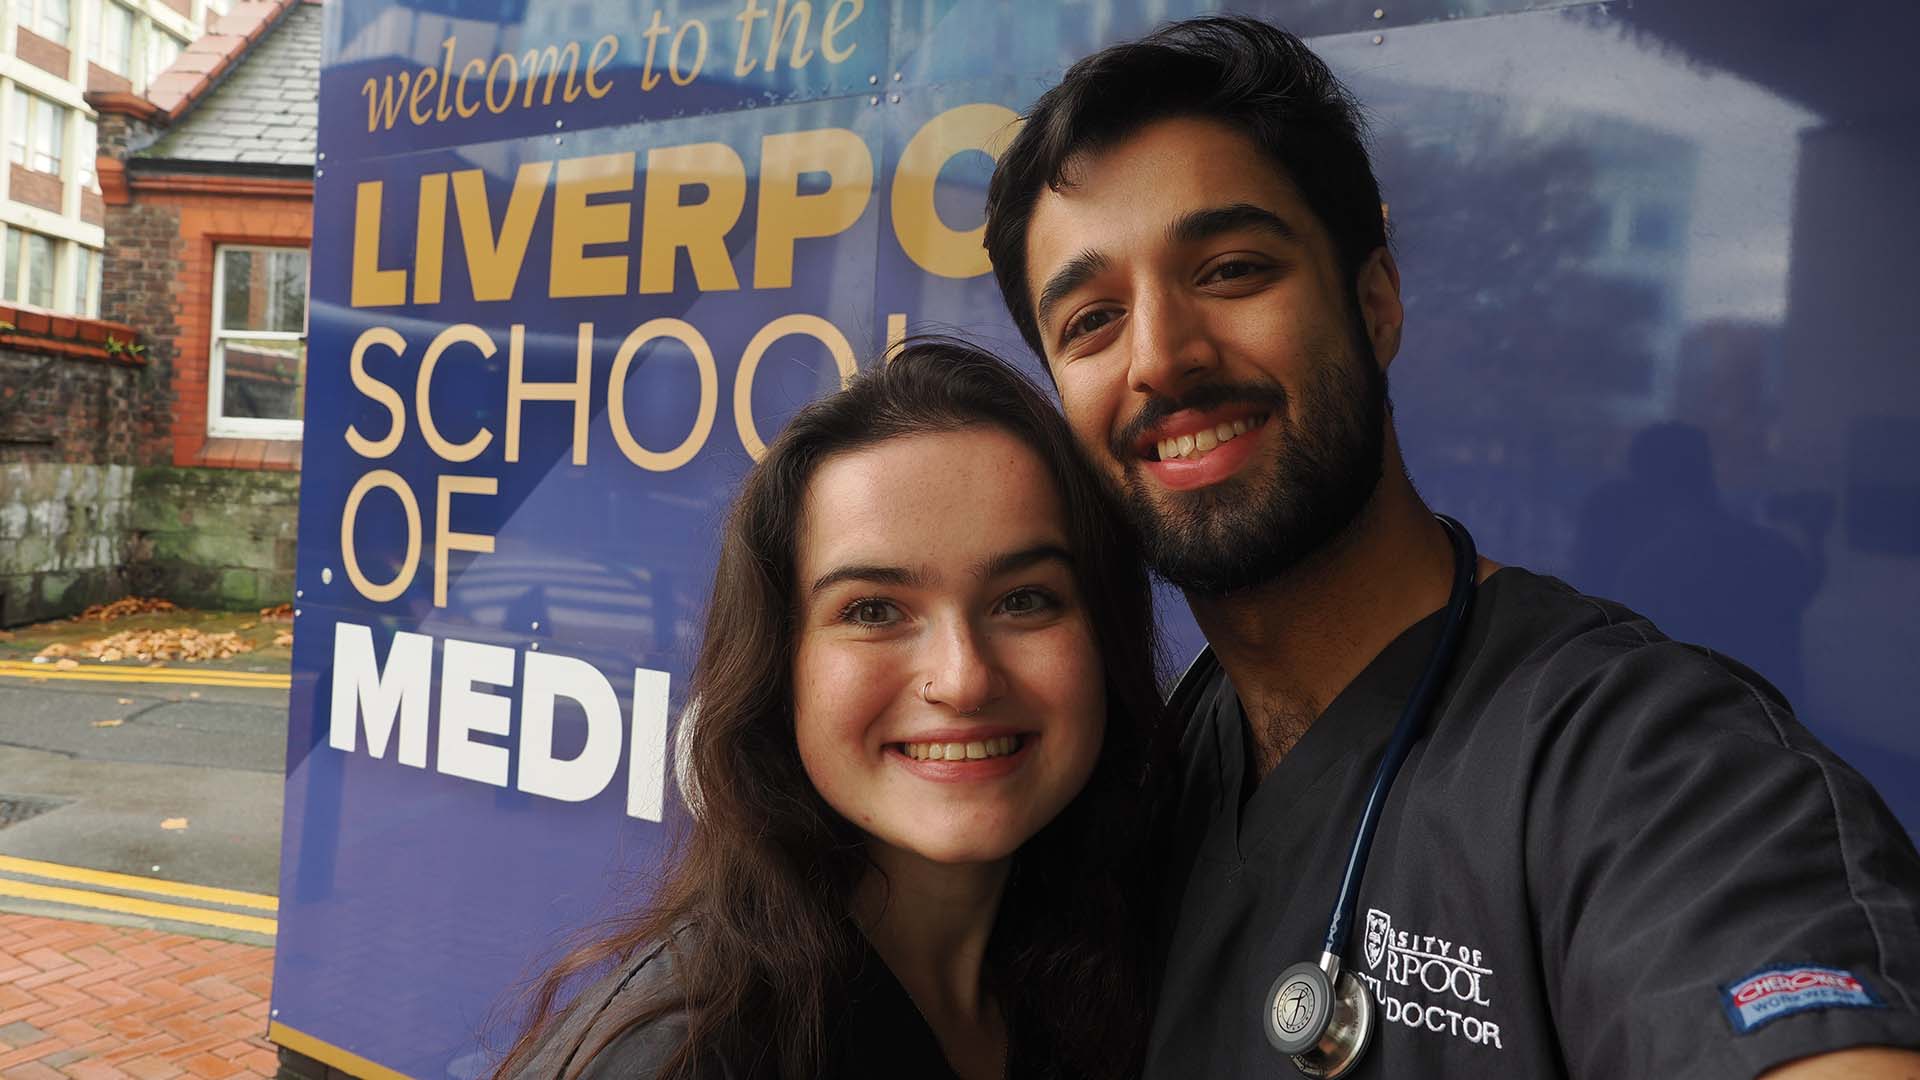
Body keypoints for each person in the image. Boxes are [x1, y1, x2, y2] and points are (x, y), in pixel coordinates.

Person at [982, 16, 1920, 1079]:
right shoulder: (1136, 780)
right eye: (1092, 320)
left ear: (1375, 301)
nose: (1162, 357)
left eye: (1233, 269)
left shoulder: (1646, 764)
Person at [489, 338, 1170, 1080]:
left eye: (1025, 600)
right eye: (874, 610)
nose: (964, 678)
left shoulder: (1109, 972)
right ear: (782, 669)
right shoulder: (683, 1058)